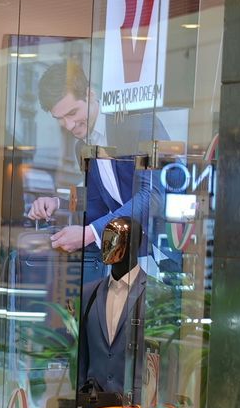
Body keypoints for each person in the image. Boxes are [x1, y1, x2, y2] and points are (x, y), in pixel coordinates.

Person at [27, 60, 156, 261]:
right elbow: (98, 202)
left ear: (90, 95)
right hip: (131, 256)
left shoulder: (137, 123)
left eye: (72, 113)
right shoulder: (82, 146)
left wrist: (91, 233)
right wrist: (57, 203)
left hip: (161, 251)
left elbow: (154, 194)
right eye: (59, 119)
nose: (69, 125)